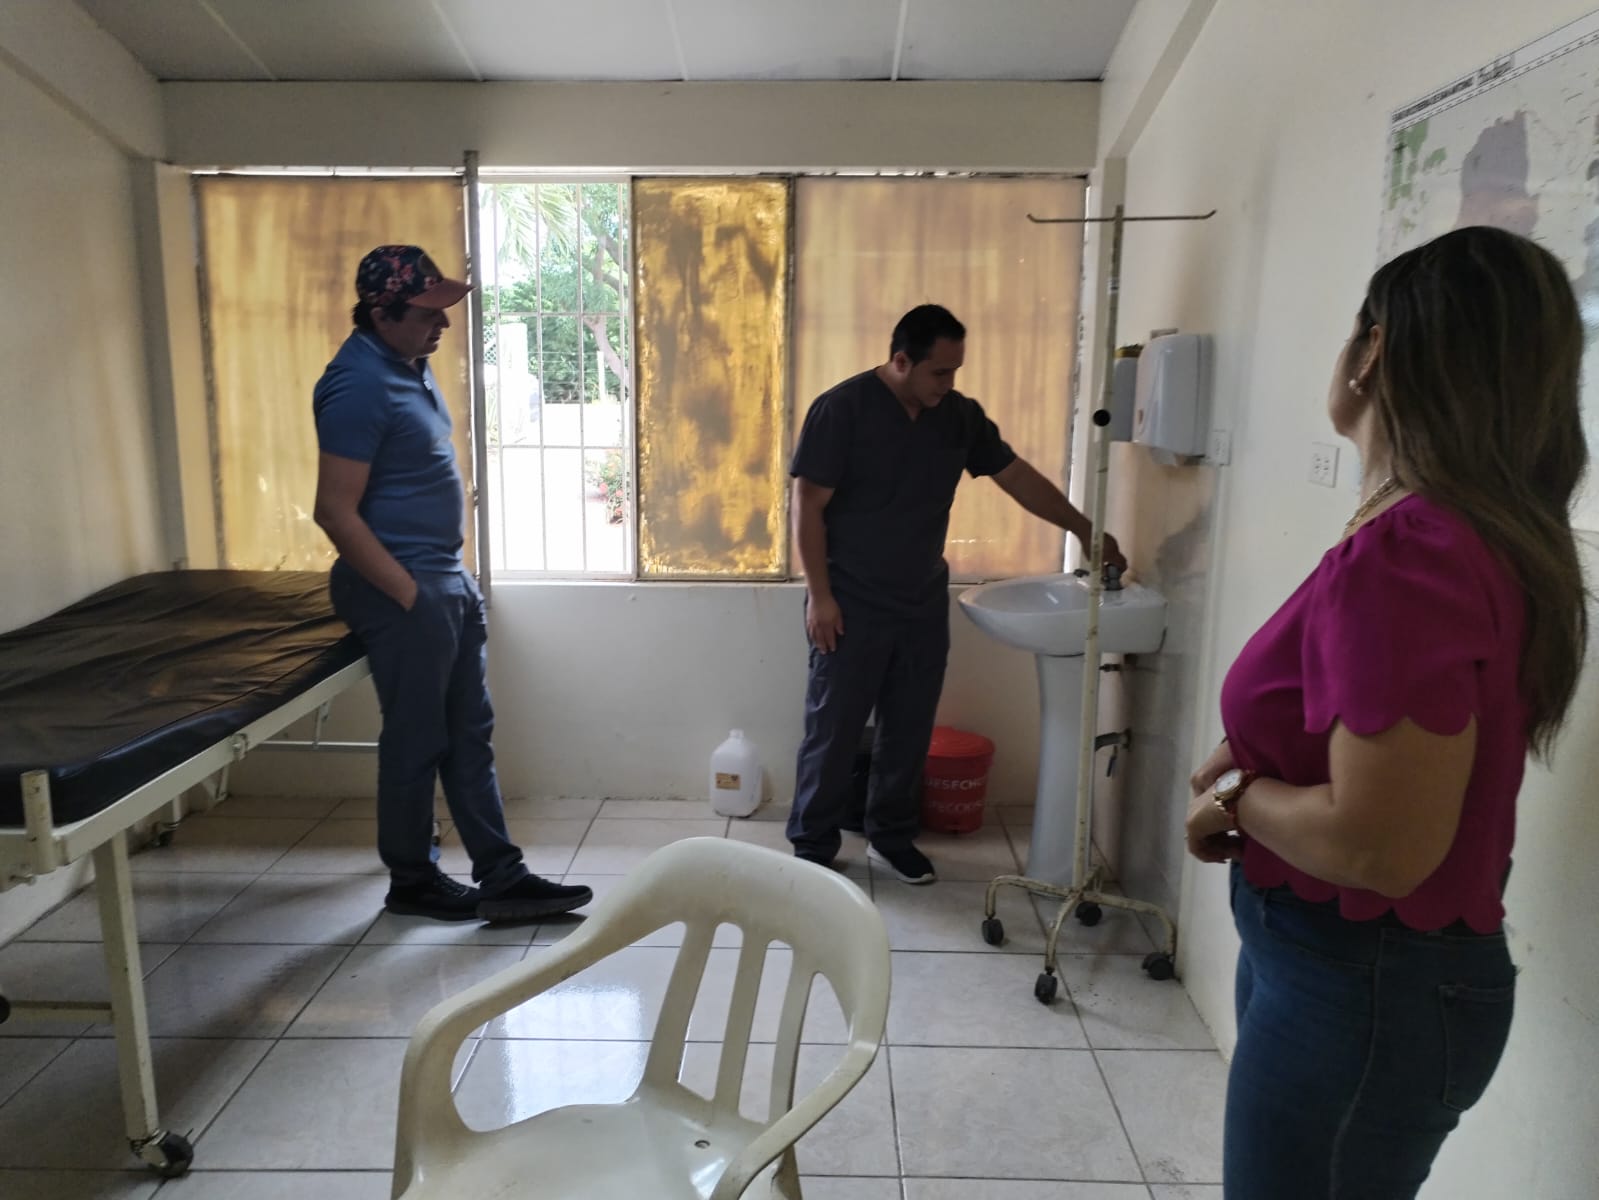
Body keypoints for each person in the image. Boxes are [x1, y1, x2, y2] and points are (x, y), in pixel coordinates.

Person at [1185, 226, 1588, 1198]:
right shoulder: (1461, 534)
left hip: (1360, 979)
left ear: (1373, 350)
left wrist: (1236, 798)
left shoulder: (1412, 553)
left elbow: (1379, 846)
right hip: (1344, 965)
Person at [788, 304, 1127, 883]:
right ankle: (814, 845)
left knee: (909, 726)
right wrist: (820, 596)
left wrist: (1084, 530)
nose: (948, 384)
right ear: (901, 361)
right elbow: (807, 505)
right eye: (939, 372)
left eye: (955, 372)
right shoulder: (842, 410)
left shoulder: (958, 418)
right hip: (849, 600)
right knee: (834, 727)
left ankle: (891, 837)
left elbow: (1017, 477)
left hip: (920, 600)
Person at [312, 244, 592, 924]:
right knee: (418, 738)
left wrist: (444, 583)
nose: (442, 324)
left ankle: (502, 877)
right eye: (426, 313)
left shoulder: (409, 364)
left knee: (470, 733)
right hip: (405, 587)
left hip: (443, 577)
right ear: (381, 313)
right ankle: (412, 880)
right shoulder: (356, 384)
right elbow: (334, 511)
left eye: (443, 311)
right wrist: (408, 593)